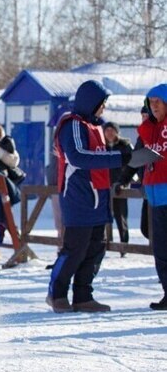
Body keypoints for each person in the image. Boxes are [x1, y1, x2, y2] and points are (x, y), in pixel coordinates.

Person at [46, 80, 131, 313]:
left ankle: (83, 296)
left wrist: (129, 159)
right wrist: (118, 158)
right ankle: (57, 293)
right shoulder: (73, 124)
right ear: (90, 102)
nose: (103, 108)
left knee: (95, 249)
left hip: (98, 198)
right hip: (78, 199)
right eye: (102, 103)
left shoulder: (95, 127)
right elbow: (79, 157)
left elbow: (100, 162)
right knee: (75, 250)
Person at [139, 85, 167, 310]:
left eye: (158, 100)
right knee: (160, 248)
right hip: (155, 196)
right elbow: (139, 157)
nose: (154, 105)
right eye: (151, 101)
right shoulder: (149, 129)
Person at [117, 106, 150, 240]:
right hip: (149, 189)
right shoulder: (143, 137)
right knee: (147, 228)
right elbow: (134, 161)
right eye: (142, 117)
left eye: (146, 116)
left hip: (161, 188)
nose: (144, 120)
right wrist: (122, 181)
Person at [102, 121, 133, 251]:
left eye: (112, 130)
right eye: (107, 130)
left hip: (120, 185)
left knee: (121, 216)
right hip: (104, 184)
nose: (109, 133)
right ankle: (104, 243)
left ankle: (123, 245)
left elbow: (132, 164)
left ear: (117, 132)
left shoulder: (125, 146)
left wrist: (125, 180)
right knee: (104, 215)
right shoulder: (101, 146)